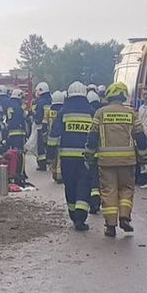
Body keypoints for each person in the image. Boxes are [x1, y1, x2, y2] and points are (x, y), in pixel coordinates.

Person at [85, 82, 147, 237]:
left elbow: (92, 137)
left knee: (108, 191)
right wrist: (143, 156)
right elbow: (141, 137)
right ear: (123, 96)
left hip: (106, 162)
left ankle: (110, 226)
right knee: (126, 189)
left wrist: (89, 154)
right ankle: (125, 216)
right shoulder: (131, 114)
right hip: (128, 161)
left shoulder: (100, 113)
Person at [49, 81, 96, 231]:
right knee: (84, 185)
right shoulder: (91, 112)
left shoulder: (63, 112)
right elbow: (96, 135)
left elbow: (54, 135)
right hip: (86, 158)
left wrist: (50, 155)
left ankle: (72, 213)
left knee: (70, 185)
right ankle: (80, 218)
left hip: (67, 158)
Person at [5, 88, 30, 185]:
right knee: (20, 154)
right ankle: (20, 173)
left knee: (12, 154)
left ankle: (13, 171)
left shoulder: (9, 106)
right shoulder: (19, 108)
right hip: (19, 134)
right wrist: (26, 133)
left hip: (11, 134)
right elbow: (23, 120)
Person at [44, 90, 67, 183]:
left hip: (51, 136)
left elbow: (45, 123)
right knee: (60, 157)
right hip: (62, 137)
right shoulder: (64, 111)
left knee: (54, 157)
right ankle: (59, 175)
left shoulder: (49, 111)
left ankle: (55, 174)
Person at [32, 82, 51, 171]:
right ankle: (50, 162)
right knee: (49, 145)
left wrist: (34, 117)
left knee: (41, 147)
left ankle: (42, 165)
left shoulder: (40, 102)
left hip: (41, 127)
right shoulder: (51, 100)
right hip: (50, 127)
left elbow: (38, 116)